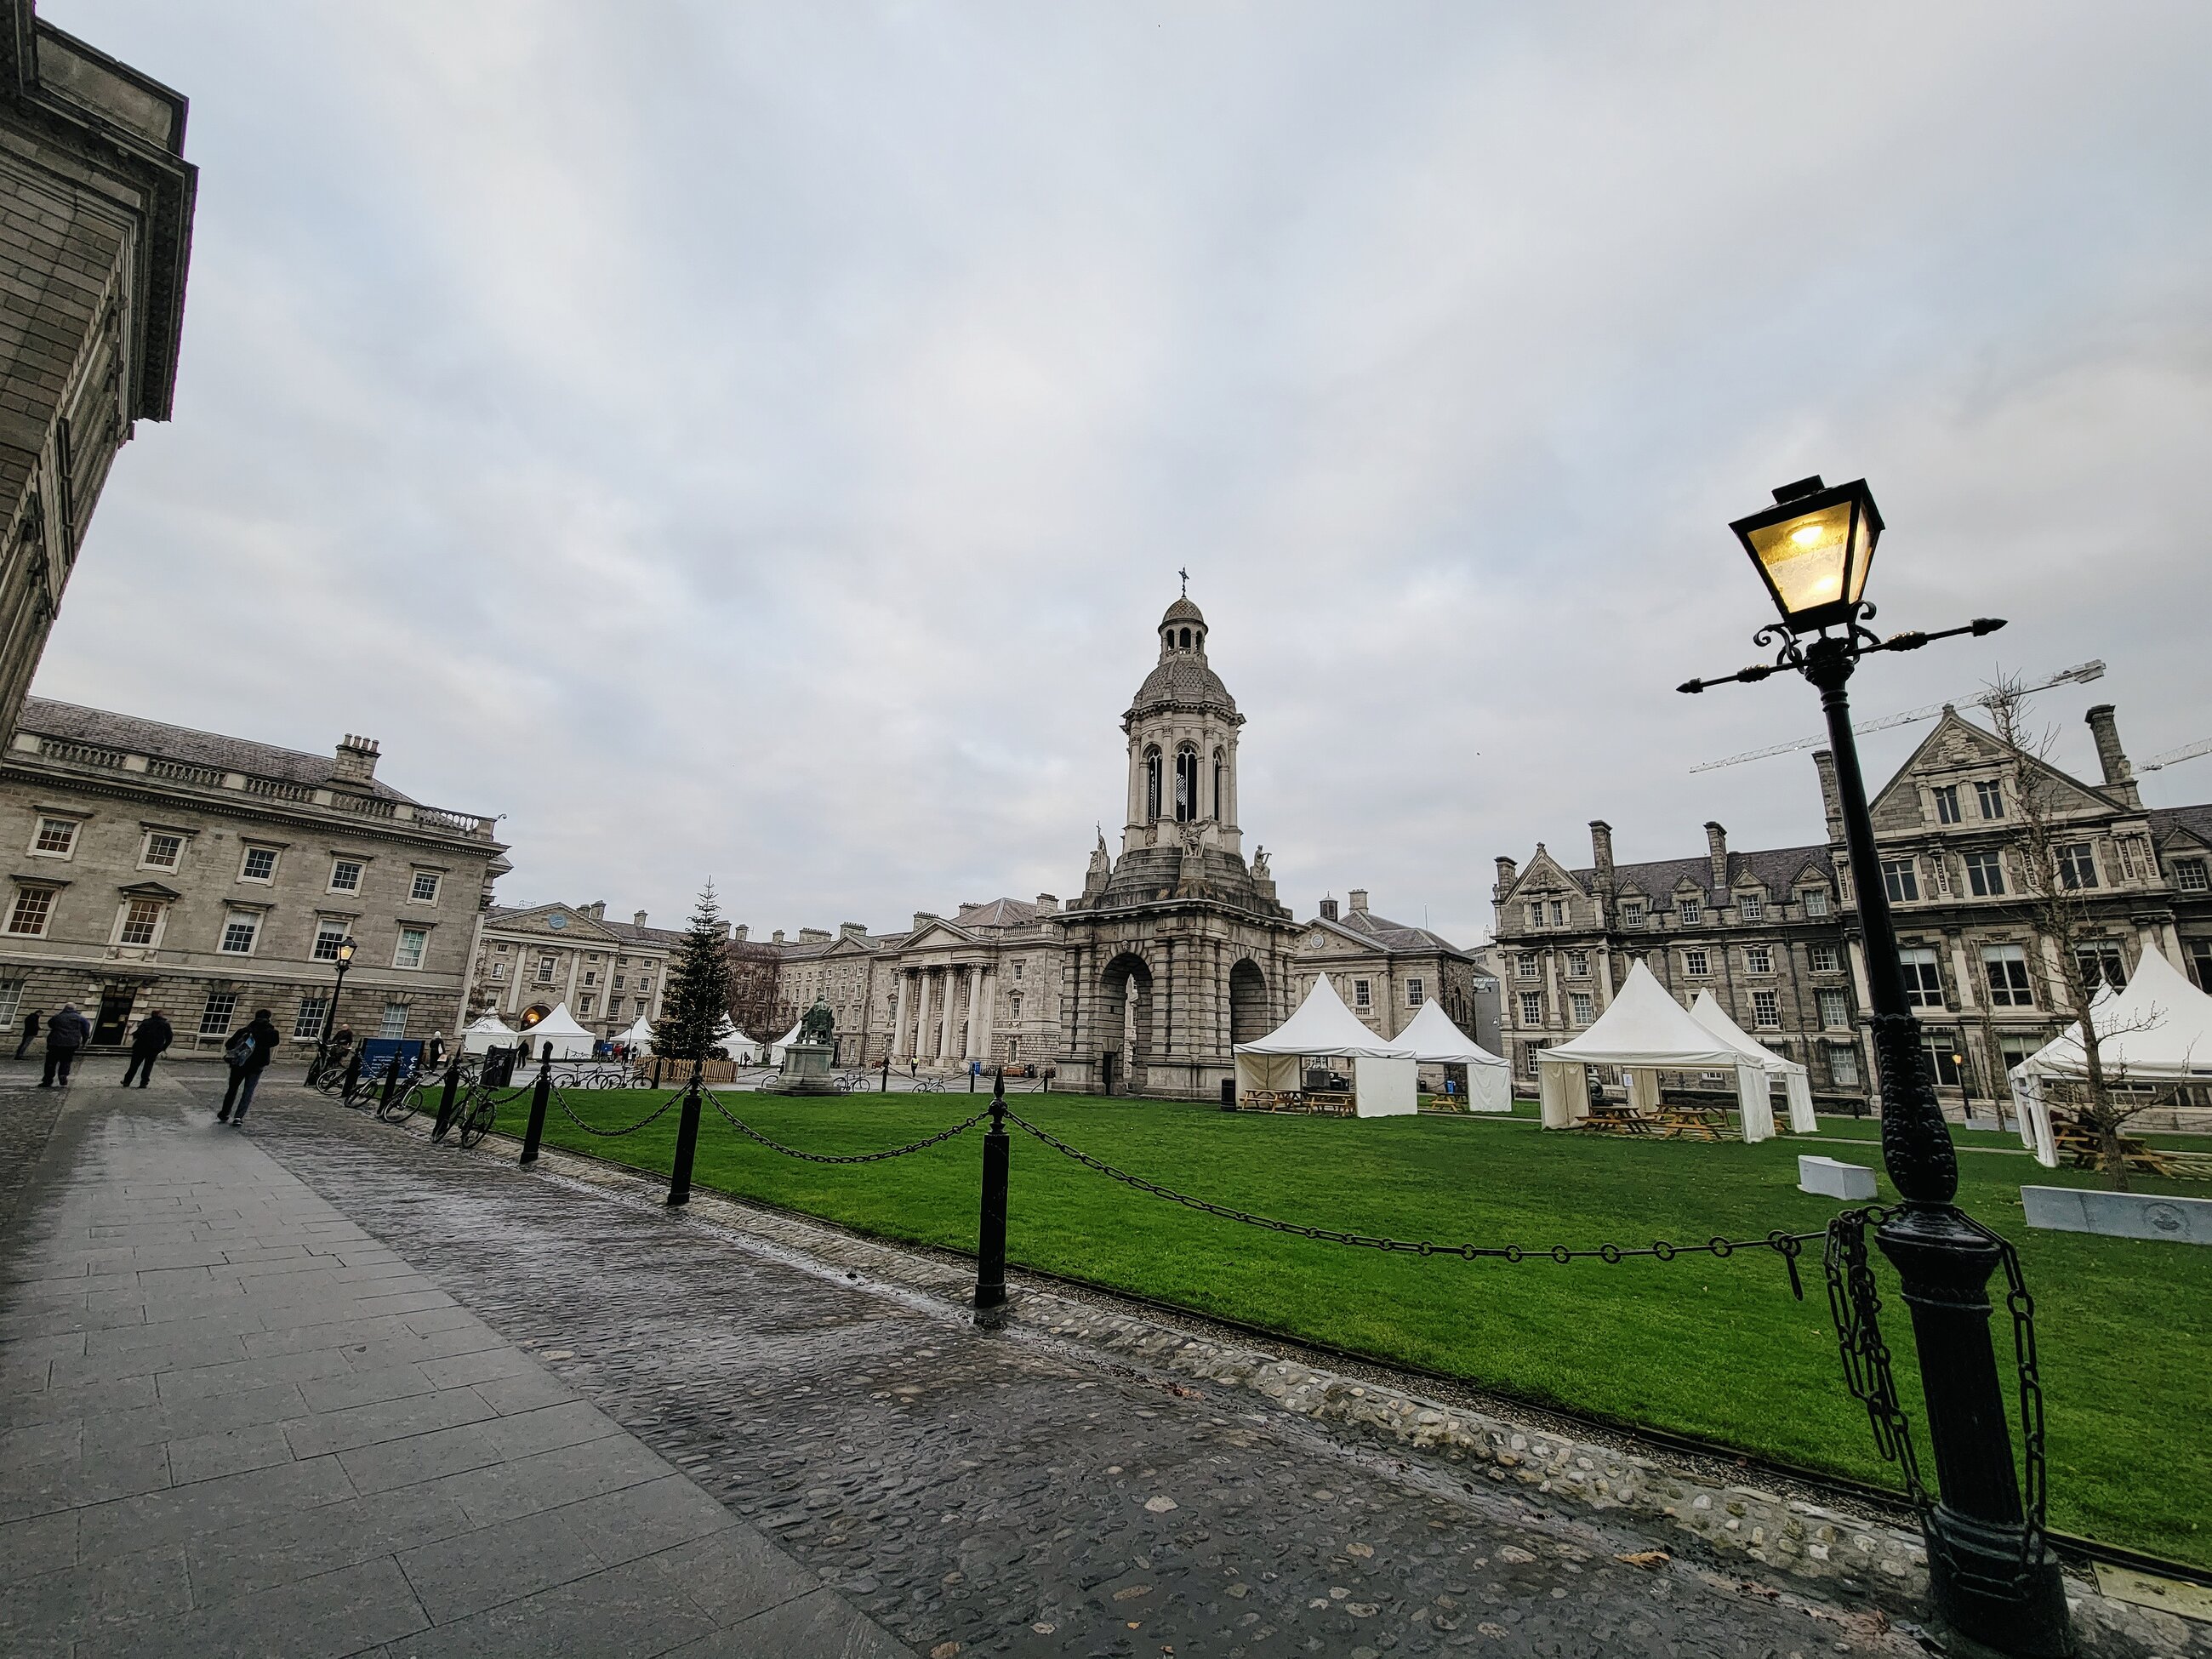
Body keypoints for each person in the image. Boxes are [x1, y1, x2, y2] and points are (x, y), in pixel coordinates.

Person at [218, 1008, 281, 1126]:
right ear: (269, 1018)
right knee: (248, 1091)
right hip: (257, 1065)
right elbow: (274, 1043)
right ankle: (238, 1117)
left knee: (232, 1089)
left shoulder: (244, 1031)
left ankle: (225, 1113)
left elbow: (229, 1044)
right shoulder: (272, 1033)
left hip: (240, 1064)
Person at [122, 1009, 173, 1087]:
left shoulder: (146, 1022)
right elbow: (169, 1038)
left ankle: (127, 1081)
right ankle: (144, 1083)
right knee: (148, 1065)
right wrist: (163, 1048)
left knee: (134, 1065)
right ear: (160, 1015)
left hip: (140, 1046)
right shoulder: (165, 1024)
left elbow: (138, 1033)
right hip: (154, 1048)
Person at [39, 1005, 88, 1086]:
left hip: (55, 1042)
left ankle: (48, 1079)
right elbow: (86, 1030)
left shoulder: (57, 1017)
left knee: (51, 1062)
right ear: (74, 1009)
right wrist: (84, 1041)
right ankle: (63, 1075)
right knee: (66, 1060)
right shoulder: (80, 1018)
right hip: (71, 1043)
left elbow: (50, 1024)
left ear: (65, 1008)